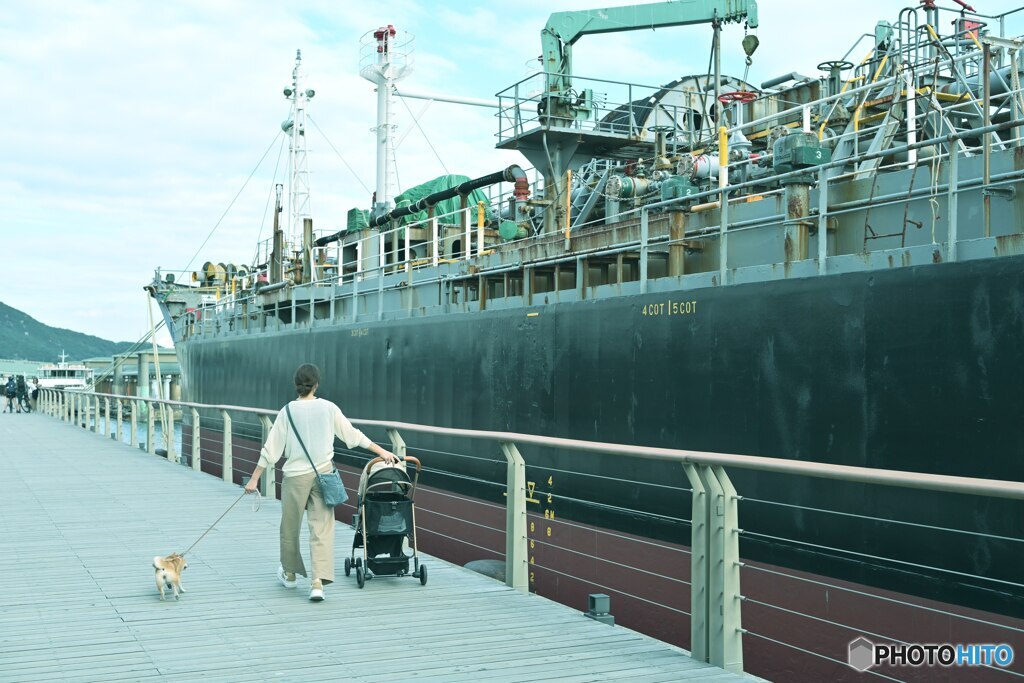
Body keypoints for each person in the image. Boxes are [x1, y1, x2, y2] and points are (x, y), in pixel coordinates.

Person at [244, 363, 398, 602]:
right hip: (323, 475)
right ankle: (318, 583)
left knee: (290, 528)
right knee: (322, 529)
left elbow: (271, 450)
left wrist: (254, 479)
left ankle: (290, 575)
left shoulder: (287, 411)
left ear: (296, 385)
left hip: (295, 478)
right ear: (316, 385)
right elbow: (353, 436)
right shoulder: (329, 408)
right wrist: (382, 451)